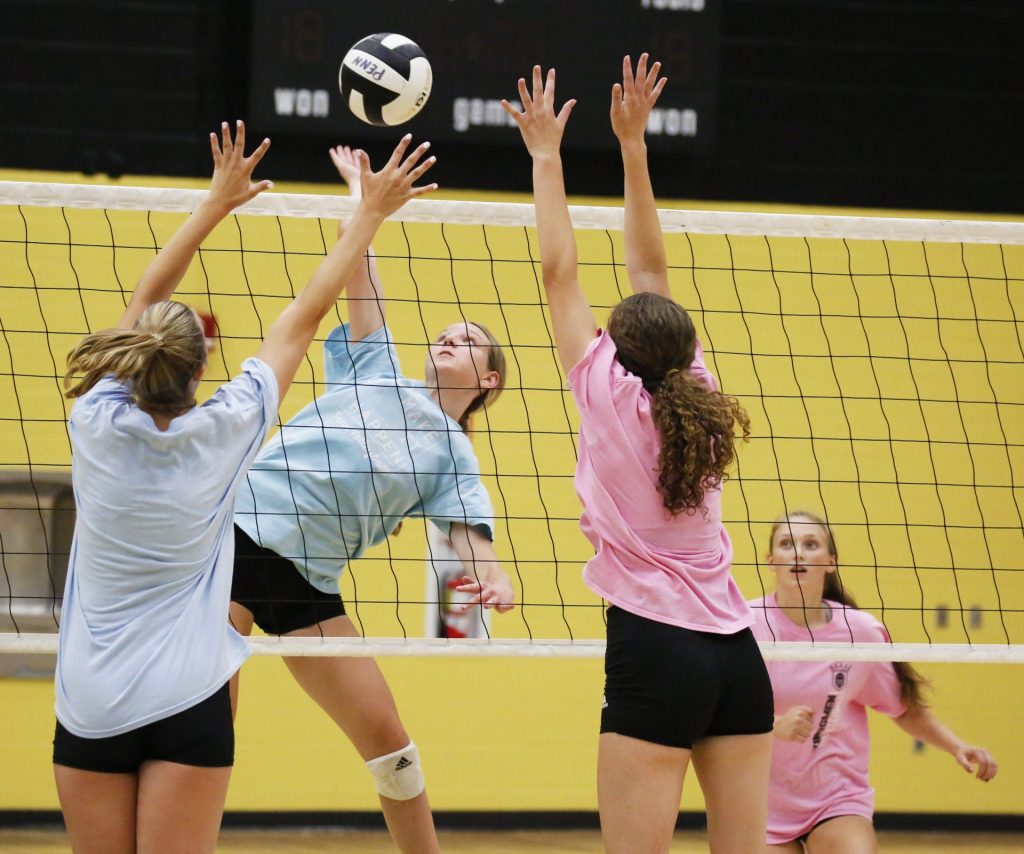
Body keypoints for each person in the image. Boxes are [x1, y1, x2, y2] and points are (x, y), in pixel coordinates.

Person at [52, 122, 437, 854]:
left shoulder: (94, 423)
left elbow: (146, 294)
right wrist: (369, 213)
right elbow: (306, 313)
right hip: (189, 702)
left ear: (127, 363)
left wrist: (213, 204)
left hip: (92, 703)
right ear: (202, 371)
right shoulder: (229, 428)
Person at [503, 56, 774, 854]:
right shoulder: (702, 394)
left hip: (657, 650)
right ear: (684, 347)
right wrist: (634, 145)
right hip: (737, 659)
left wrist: (546, 155)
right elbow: (651, 271)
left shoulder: (605, 393)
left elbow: (559, 272)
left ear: (617, 350)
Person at [229, 145, 516, 853]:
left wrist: (492, 573)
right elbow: (358, 270)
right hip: (235, 534)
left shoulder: (454, 456)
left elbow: (468, 535)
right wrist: (364, 197)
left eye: (470, 342)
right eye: (447, 333)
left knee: (392, 747)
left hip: (307, 581)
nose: (451, 338)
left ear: (488, 382)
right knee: (205, 721)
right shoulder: (375, 366)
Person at [751, 510, 998, 853]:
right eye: (787, 543)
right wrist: (775, 726)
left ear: (830, 562)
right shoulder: (746, 626)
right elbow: (719, 713)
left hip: (835, 799)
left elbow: (902, 706)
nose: (798, 553)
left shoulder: (860, 632)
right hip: (762, 799)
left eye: (810, 544)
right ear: (771, 560)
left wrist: (957, 746)